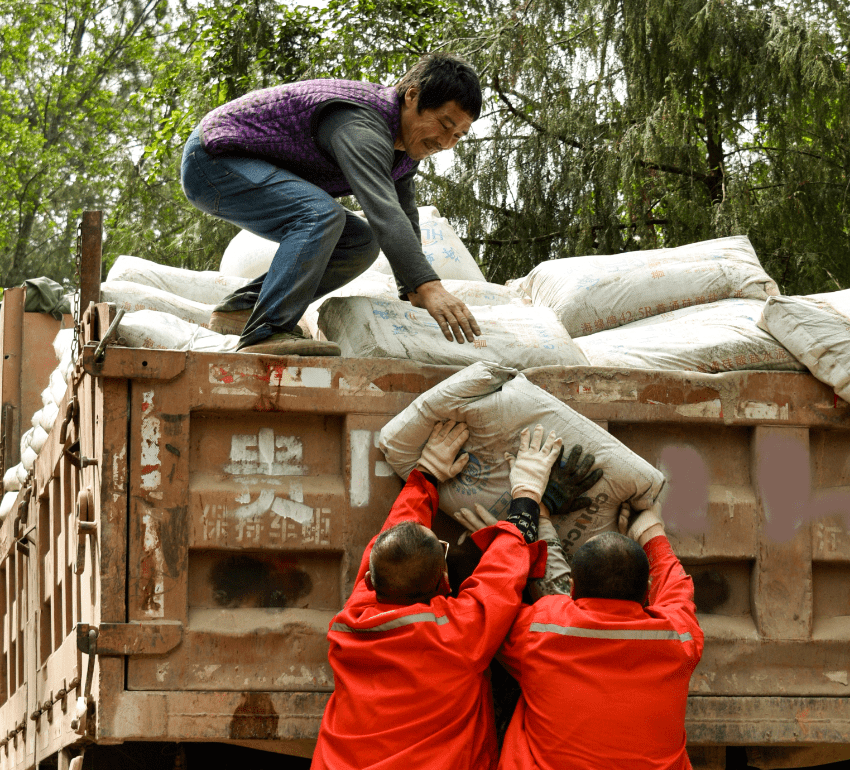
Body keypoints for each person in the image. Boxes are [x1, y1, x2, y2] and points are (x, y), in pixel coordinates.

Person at [180, 52, 483, 357]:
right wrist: (429, 286)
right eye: (444, 125)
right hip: (213, 158)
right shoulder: (362, 123)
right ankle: (267, 331)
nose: (446, 143)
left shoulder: (402, 151)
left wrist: (412, 290)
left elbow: (403, 213)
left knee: (360, 241)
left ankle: (242, 309)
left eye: (458, 135)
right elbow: (384, 211)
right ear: (412, 96)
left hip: (243, 168)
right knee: (320, 214)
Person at [310, 422, 562, 770]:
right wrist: (528, 493)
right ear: (445, 578)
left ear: (369, 580)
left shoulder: (353, 622)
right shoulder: (458, 634)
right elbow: (502, 575)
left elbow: (394, 541)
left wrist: (425, 475)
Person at [495, 502, 704, 769]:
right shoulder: (679, 639)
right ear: (647, 595)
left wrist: (526, 524)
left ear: (571, 589)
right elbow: (677, 590)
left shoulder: (541, 627)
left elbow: (494, 606)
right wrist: (651, 532)